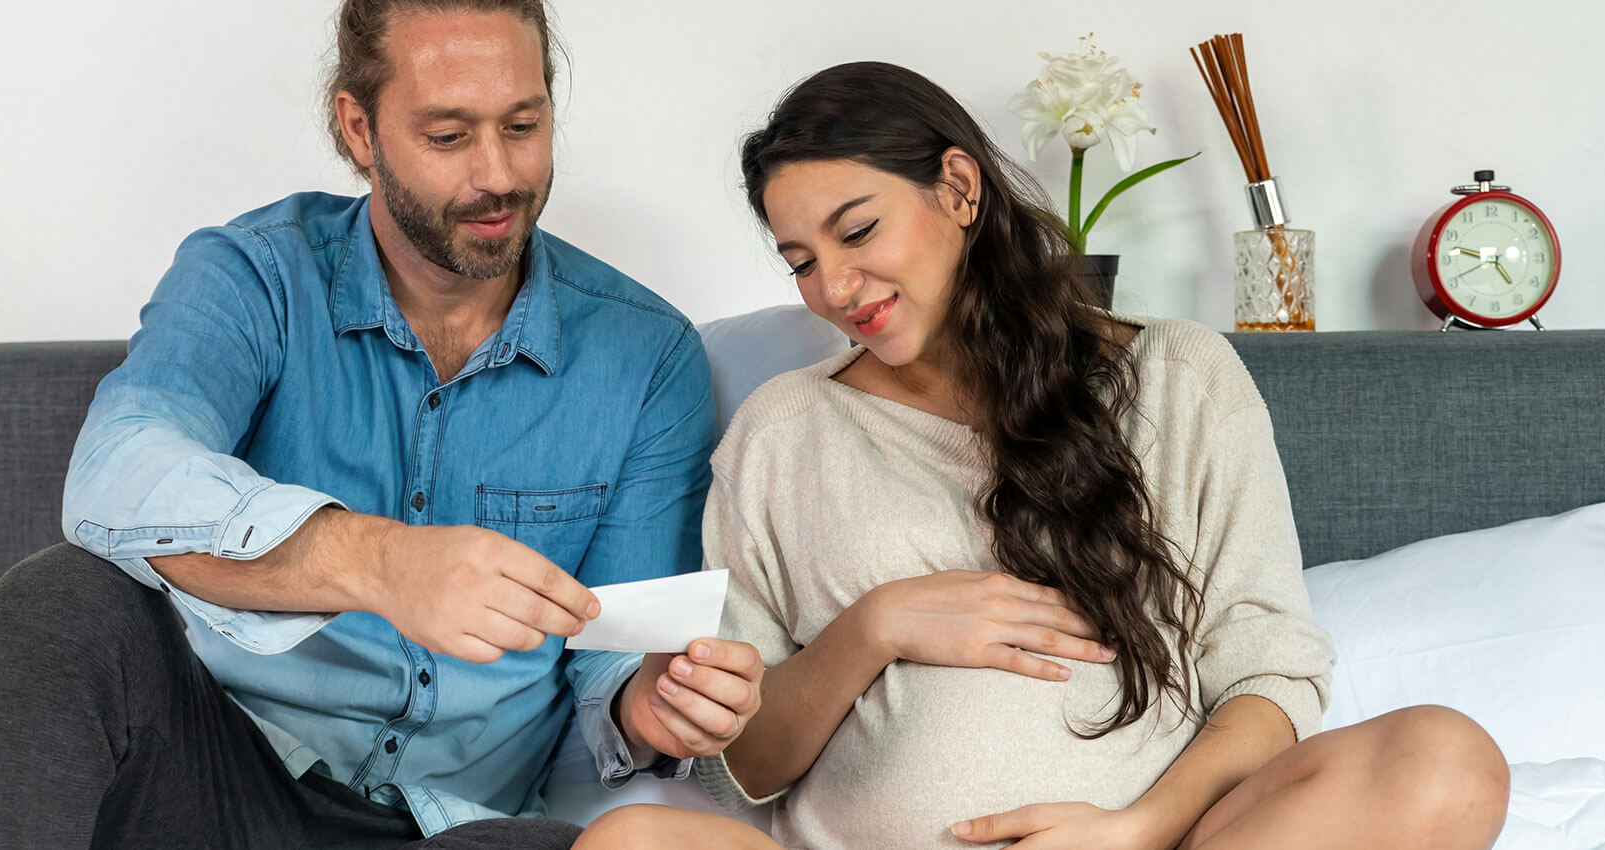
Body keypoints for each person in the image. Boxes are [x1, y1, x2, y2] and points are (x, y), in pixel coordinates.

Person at [574, 62, 1509, 850]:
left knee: (1445, 759)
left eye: (856, 232)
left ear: (959, 187)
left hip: (1148, 846)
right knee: (628, 841)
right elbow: (746, 768)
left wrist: (1140, 827)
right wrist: (878, 626)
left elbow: (1269, 676)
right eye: (801, 261)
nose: (835, 286)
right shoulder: (782, 431)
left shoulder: (1180, 378)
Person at [0, 2, 763, 847]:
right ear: (359, 128)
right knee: (55, 603)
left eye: (524, 124)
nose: (498, 174)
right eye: (448, 136)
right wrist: (378, 562)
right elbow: (118, 469)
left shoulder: (646, 354)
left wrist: (648, 703)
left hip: (456, 826)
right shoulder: (254, 277)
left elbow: (615, 647)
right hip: (222, 785)